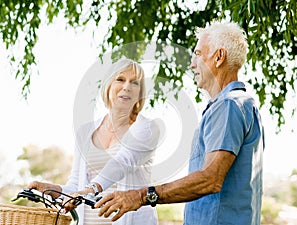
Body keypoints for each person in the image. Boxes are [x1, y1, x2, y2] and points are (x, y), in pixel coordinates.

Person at [94, 22, 265, 225]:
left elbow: (210, 179)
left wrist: (141, 196)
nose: (192, 63)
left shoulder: (228, 105)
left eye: (198, 53)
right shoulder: (236, 105)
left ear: (219, 57)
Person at [27, 58, 161, 225]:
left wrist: (90, 190)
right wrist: (52, 189)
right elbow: (76, 185)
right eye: (120, 79)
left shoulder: (147, 128)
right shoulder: (85, 132)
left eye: (135, 83)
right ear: (108, 85)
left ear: (140, 92)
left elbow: (122, 163)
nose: (127, 86)